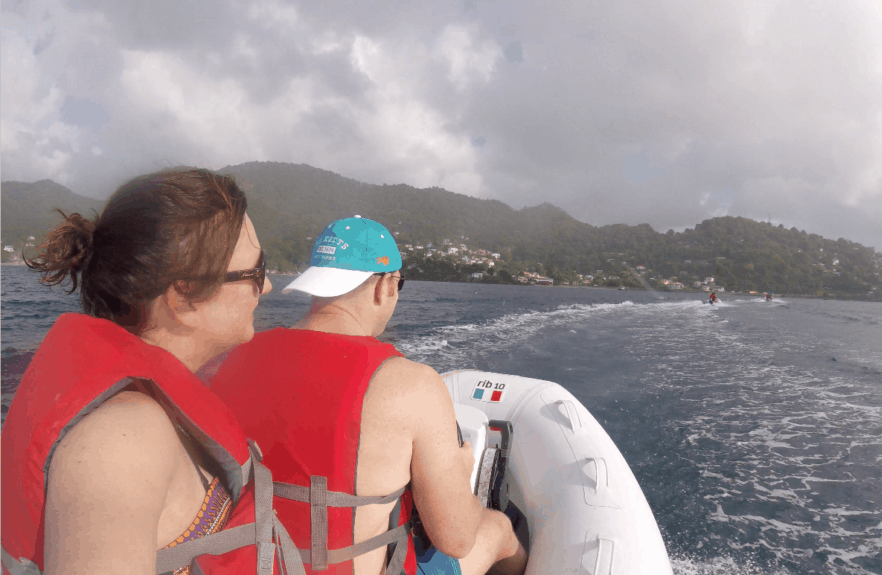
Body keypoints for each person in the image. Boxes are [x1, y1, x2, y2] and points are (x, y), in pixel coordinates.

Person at [1, 169, 302, 574]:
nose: (265, 289)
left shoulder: (146, 416)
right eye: (256, 271)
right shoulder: (123, 442)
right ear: (184, 294)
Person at [209, 217, 528, 575]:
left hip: (244, 564)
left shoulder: (229, 357)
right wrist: (460, 471)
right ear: (385, 287)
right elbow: (455, 539)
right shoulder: (411, 384)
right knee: (499, 528)